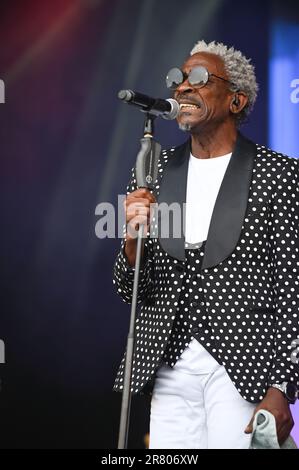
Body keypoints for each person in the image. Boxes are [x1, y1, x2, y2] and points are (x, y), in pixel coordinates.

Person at [112, 40, 299, 449]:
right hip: (168, 363)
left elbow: (293, 290)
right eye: (178, 79)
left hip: (243, 366)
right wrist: (130, 241)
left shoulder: (279, 175)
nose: (182, 88)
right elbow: (131, 289)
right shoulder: (154, 168)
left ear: (236, 100)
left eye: (199, 78)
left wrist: (283, 385)